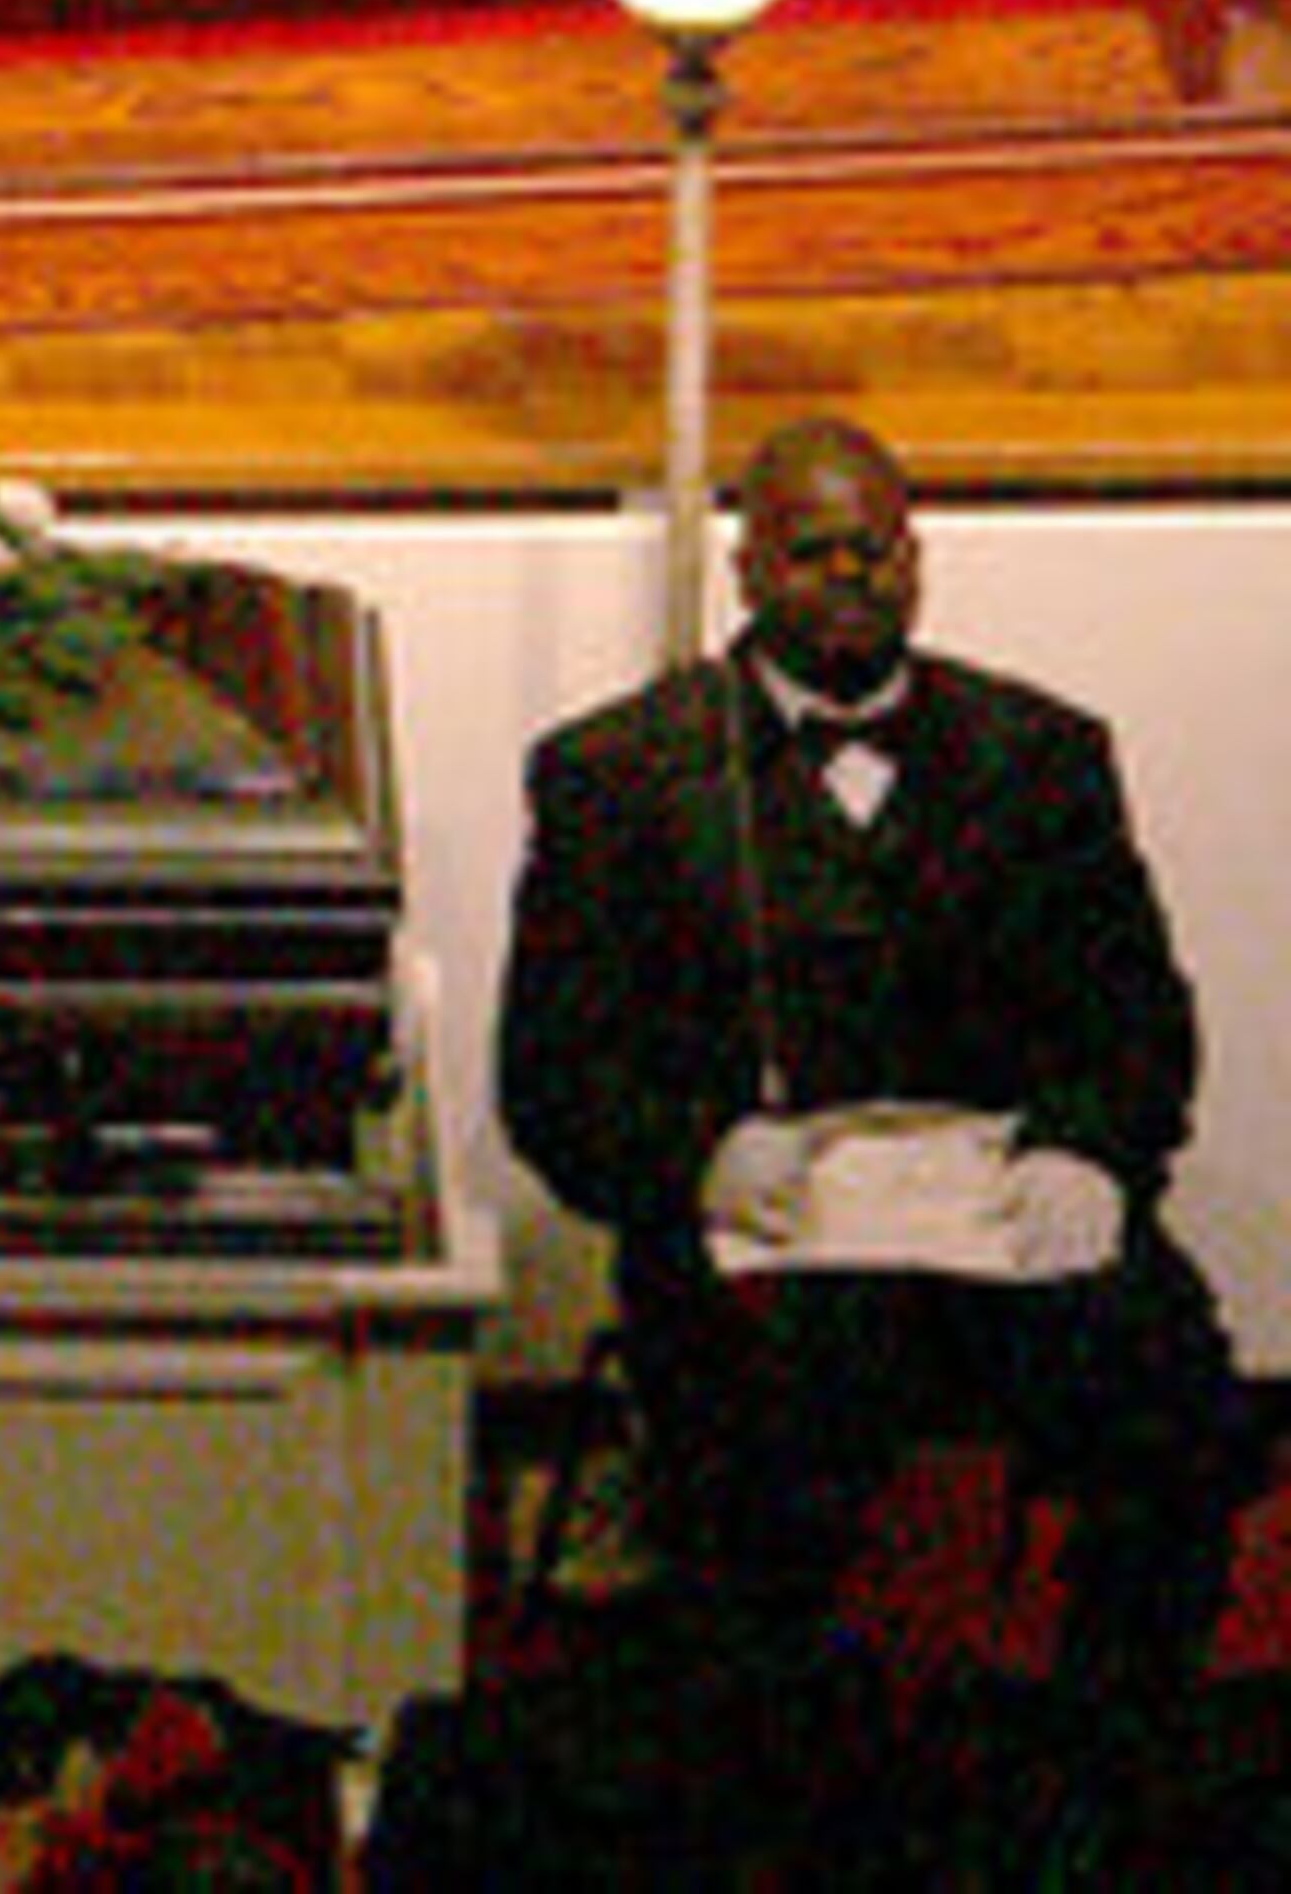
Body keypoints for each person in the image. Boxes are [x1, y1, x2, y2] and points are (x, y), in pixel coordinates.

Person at [498, 412, 1254, 1698]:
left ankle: (1110, 1758)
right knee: (773, 1446)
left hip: (1000, 1218)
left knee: (1179, 1398)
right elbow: (554, 1074)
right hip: (764, 1247)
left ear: (920, 558)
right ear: (744, 570)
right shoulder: (616, 775)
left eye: (881, 552)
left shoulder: (1045, 757)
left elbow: (1138, 1020)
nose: (854, 580)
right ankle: (794, 1777)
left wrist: (1087, 1151)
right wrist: (697, 1158)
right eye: (813, 554)